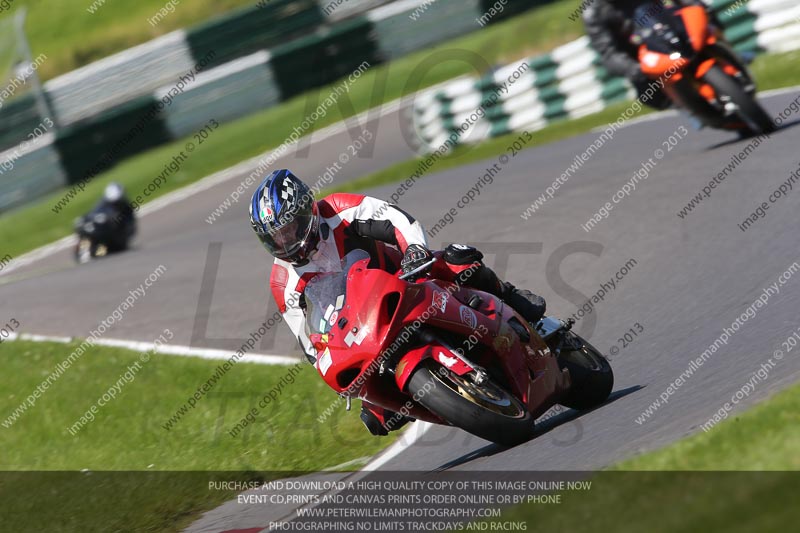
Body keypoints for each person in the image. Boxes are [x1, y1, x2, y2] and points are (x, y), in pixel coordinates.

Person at [249, 169, 547, 436]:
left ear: (307, 209)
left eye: (290, 228)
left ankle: (511, 296)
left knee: (460, 260)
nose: (286, 241)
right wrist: (338, 371)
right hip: (363, 330)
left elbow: (396, 219)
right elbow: (310, 343)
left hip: (406, 279)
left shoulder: (339, 210)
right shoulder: (283, 281)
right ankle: (435, 396)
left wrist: (415, 251)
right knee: (376, 418)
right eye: (276, 237)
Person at [582, 0, 713, 110]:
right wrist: (633, 69)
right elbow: (607, 52)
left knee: (708, 27)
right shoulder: (593, 13)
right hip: (645, 55)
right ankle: (689, 110)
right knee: (649, 94)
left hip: (670, 29)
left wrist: (696, 6)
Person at [96, 182, 136, 252]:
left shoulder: (126, 207)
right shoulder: (103, 202)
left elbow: (130, 225)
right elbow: (95, 211)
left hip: (119, 235)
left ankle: (102, 249)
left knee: (113, 248)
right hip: (105, 227)